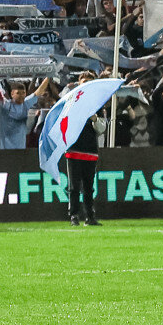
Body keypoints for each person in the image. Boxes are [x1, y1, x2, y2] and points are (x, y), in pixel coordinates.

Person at [63, 89, 103, 227]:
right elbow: (64, 125)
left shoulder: (97, 106)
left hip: (90, 151)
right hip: (74, 150)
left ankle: (90, 216)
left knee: (88, 187)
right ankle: (74, 216)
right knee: (74, 187)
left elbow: (102, 129)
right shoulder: (71, 105)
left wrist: (95, 119)